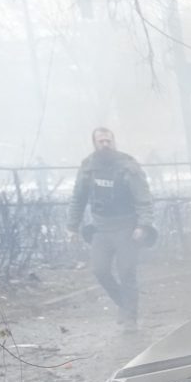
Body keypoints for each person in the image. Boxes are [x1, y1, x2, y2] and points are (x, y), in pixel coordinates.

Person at [68, 127, 153, 330]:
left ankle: (130, 318)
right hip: (101, 228)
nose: (105, 145)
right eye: (101, 141)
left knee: (126, 272)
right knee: (100, 271)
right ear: (95, 143)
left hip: (126, 227)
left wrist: (143, 225)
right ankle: (124, 304)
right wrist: (72, 226)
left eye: (108, 141)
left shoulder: (127, 166)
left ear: (114, 142)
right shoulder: (88, 167)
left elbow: (143, 199)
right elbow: (78, 198)